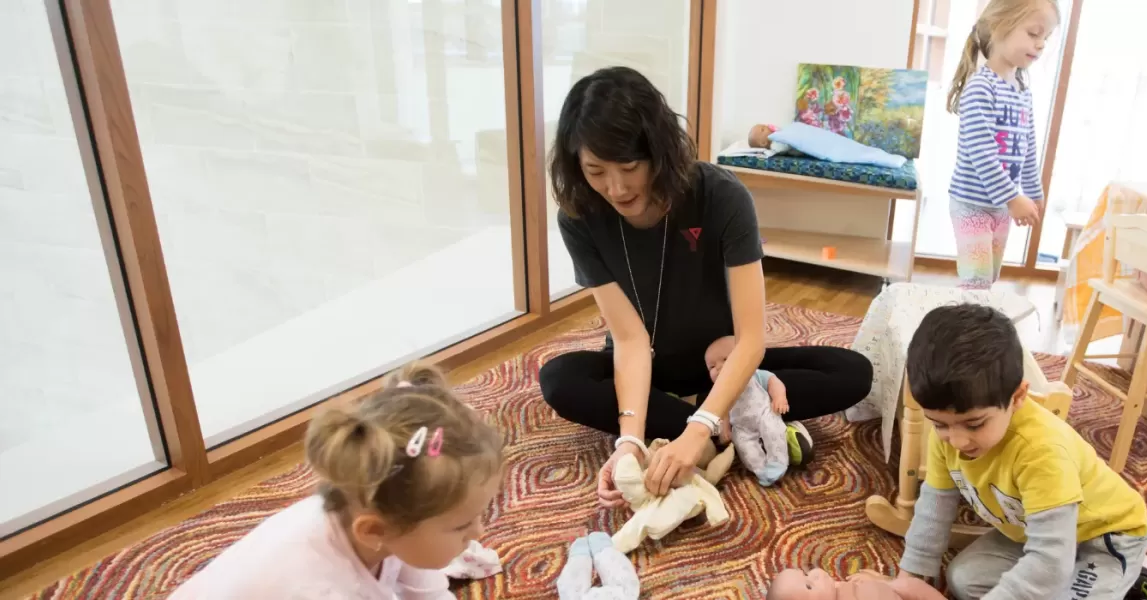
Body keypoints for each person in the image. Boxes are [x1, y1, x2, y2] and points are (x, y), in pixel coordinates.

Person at [538, 66, 873, 505]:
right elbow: (629, 339)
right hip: (645, 372)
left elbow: (752, 339)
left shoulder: (721, 197)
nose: (615, 188)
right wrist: (630, 443)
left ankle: (707, 418)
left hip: (720, 364)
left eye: (629, 166)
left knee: (853, 372)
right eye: (596, 171)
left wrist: (699, 426)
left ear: (657, 151)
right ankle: (731, 426)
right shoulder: (580, 216)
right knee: (560, 379)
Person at [169, 364, 505, 600]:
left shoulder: (387, 513)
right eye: (460, 526)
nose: (478, 533)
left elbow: (427, 592)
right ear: (373, 531)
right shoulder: (317, 588)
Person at [897, 305, 1147, 600]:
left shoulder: (1041, 451)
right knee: (964, 581)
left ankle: (1137, 584)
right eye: (939, 424)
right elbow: (935, 507)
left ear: (1017, 397)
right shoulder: (948, 436)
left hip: (1104, 538)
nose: (957, 440)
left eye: (975, 424)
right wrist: (911, 575)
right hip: (1033, 532)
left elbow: (1050, 560)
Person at [946, 0, 1058, 289]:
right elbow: (981, 154)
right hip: (971, 204)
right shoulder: (981, 88)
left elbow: (1027, 148)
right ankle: (965, 333)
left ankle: (976, 329)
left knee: (990, 277)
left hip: (1000, 206)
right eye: (1034, 34)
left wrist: (1033, 192)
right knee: (976, 279)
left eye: (1045, 37)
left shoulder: (1021, 90)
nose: (1041, 44)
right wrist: (1012, 198)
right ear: (998, 27)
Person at [704, 336, 790, 486]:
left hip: (765, 413)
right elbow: (722, 410)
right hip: (741, 426)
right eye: (712, 367)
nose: (718, 368)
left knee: (772, 430)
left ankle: (778, 463)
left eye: (725, 359)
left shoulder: (754, 375)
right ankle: (762, 470)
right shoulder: (720, 390)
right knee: (744, 447)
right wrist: (725, 428)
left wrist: (779, 398)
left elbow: (773, 381)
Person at [767, 568, 946, 600]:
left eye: (805, 573)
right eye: (809, 586)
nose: (814, 575)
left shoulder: (833, 588)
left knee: (911, 585)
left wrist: (869, 584)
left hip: (889, 592)